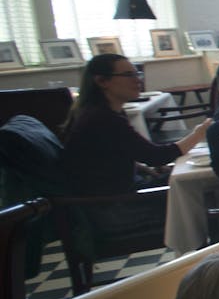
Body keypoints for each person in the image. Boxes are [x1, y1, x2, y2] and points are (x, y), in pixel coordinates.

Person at [60, 54, 210, 203]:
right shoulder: (103, 119)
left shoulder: (96, 112)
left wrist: (142, 168)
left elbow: (108, 157)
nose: (138, 80)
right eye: (128, 75)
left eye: (137, 73)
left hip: (117, 193)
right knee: (200, 182)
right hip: (114, 205)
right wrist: (198, 134)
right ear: (102, 81)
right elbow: (156, 157)